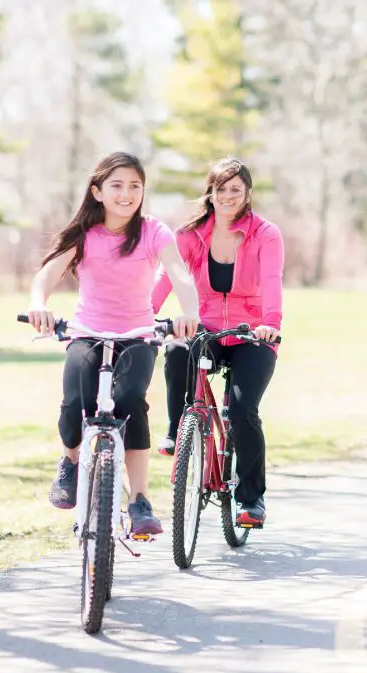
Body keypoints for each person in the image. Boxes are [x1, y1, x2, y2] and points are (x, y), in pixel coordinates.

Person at [26, 151, 200, 536]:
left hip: (138, 335)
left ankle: (139, 500)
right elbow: (47, 275)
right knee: (76, 401)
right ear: (98, 191)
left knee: (131, 402)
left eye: (135, 186)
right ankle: (71, 463)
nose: (126, 194)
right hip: (87, 332)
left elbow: (180, 275)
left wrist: (189, 312)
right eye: (117, 186)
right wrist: (39, 305)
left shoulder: (154, 231)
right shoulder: (84, 235)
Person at [152, 157, 283, 529]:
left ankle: (251, 499)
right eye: (221, 189)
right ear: (210, 192)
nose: (228, 196)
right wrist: (144, 315)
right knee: (177, 349)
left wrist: (270, 324)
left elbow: (272, 280)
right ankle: (179, 429)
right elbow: (166, 279)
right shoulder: (190, 234)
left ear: (247, 193)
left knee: (243, 411)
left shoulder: (265, 234)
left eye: (236, 190)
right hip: (204, 326)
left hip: (251, 333)